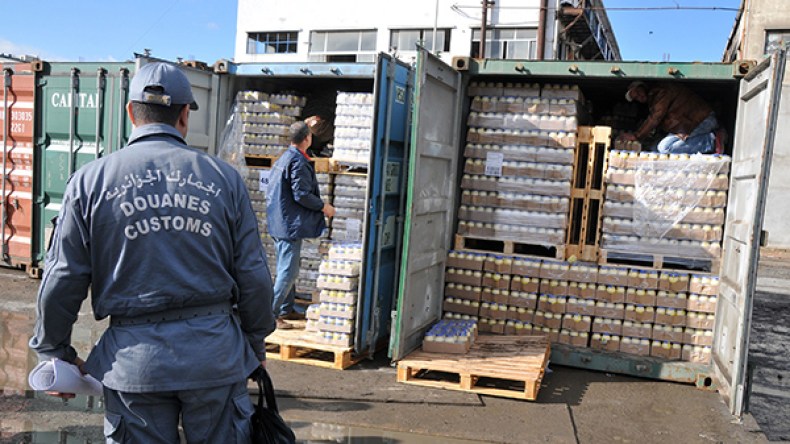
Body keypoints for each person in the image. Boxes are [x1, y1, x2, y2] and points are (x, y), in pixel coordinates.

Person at [29, 62, 275, 443]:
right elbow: (254, 274)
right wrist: (255, 342)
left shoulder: (90, 181)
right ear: (183, 115)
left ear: (130, 113)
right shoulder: (224, 179)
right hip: (214, 358)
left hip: (133, 364)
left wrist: (55, 352)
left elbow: (62, 277)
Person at [267, 121, 335, 329]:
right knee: (289, 271)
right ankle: (268, 315)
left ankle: (286, 309)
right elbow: (301, 194)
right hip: (288, 225)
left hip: (279, 221)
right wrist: (324, 207)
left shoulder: (285, 158)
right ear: (307, 139)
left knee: (286, 268)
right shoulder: (297, 162)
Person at [620, 81, 719, 154]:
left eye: (638, 92)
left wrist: (636, 136)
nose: (639, 97)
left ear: (643, 87)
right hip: (686, 125)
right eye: (636, 98)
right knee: (654, 148)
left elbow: (656, 117)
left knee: (664, 148)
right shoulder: (653, 99)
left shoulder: (659, 91)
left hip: (702, 120)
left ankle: (712, 140)